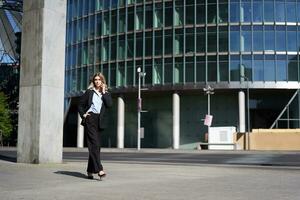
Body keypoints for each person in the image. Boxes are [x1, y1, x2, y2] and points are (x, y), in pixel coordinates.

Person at [78, 72, 112, 180]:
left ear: (102, 81)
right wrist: (83, 114)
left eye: (99, 80)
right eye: (95, 80)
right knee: (94, 144)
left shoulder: (105, 93)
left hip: (100, 121)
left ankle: (89, 170)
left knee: (96, 146)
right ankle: (100, 170)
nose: (97, 81)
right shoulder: (89, 92)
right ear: (93, 81)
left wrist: (104, 92)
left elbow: (109, 104)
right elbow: (80, 105)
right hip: (90, 119)